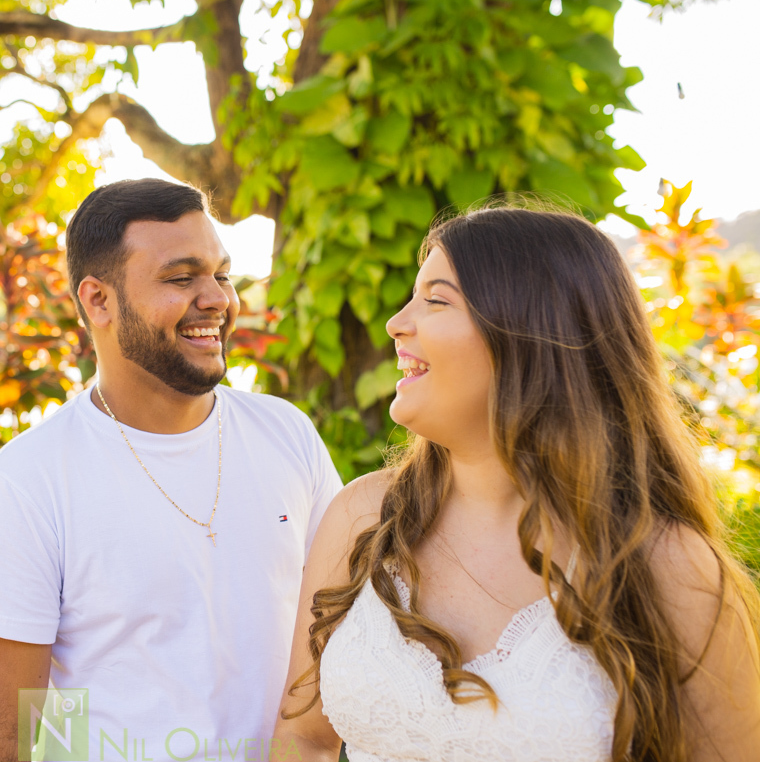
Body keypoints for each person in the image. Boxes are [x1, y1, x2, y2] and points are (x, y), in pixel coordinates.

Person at [273, 208, 760, 761]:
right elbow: (303, 737)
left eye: (436, 300)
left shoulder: (666, 565)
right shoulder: (363, 516)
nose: (397, 323)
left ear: (530, 330)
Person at [0, 178, 343, 761]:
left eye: (222, 275)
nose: (218, 299)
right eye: (182, 278)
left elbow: (335, 635)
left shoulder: (287, 435)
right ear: (98, 300)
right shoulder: (24, 486)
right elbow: (5, 742)